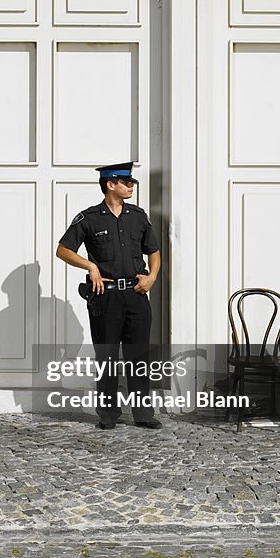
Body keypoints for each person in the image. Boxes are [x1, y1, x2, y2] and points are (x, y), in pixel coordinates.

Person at [55, 162, 162, 430]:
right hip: (106, 298)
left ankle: (143, 413)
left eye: (131, 182)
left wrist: (152, 278)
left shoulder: (138, 216)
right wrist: (90, 266)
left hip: (136, 296)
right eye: (125, 182)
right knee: (107, 356)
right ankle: (108, 414)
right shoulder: (89, 218)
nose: (131, 186)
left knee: (138, 357)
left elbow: (154, 251)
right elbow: (63, 250)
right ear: (110, 184)